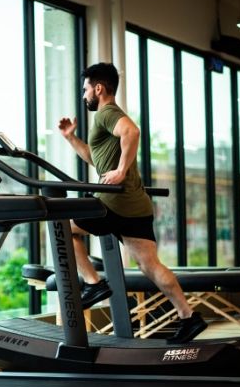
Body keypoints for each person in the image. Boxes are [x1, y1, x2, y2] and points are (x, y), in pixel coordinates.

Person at [58, 62, 207, 344]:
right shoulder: (107, 119)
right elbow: (96, 158)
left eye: (85, 89)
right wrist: (71, 138)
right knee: (150, 265)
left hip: (113, 202)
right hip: (136, 205)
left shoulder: (107, 113)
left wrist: (121, 171)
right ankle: (188, 316)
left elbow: (133, 132)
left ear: (98, 88)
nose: (84, 95)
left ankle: (93, 284)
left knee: (63, 226)